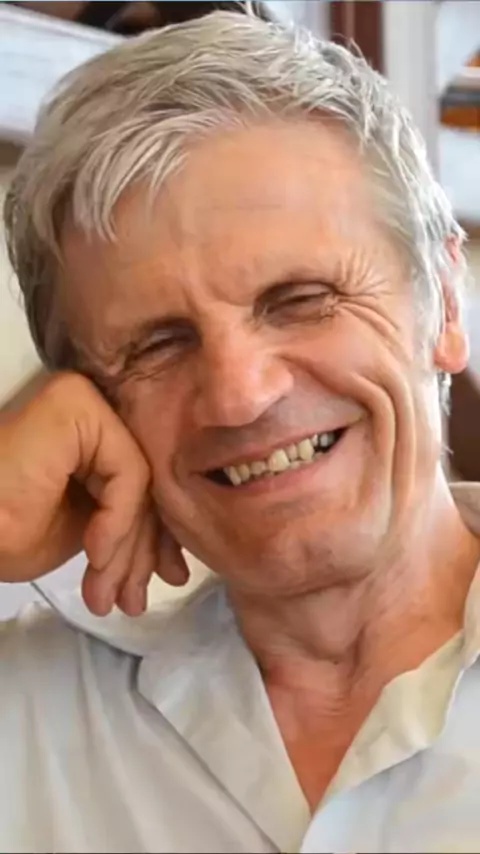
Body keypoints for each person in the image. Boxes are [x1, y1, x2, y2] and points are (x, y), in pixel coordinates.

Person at [2, 9, 480, 853]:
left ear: (443, 302)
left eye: (300, 299)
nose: (239, 396)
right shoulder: (29, 710)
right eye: (156, 344)